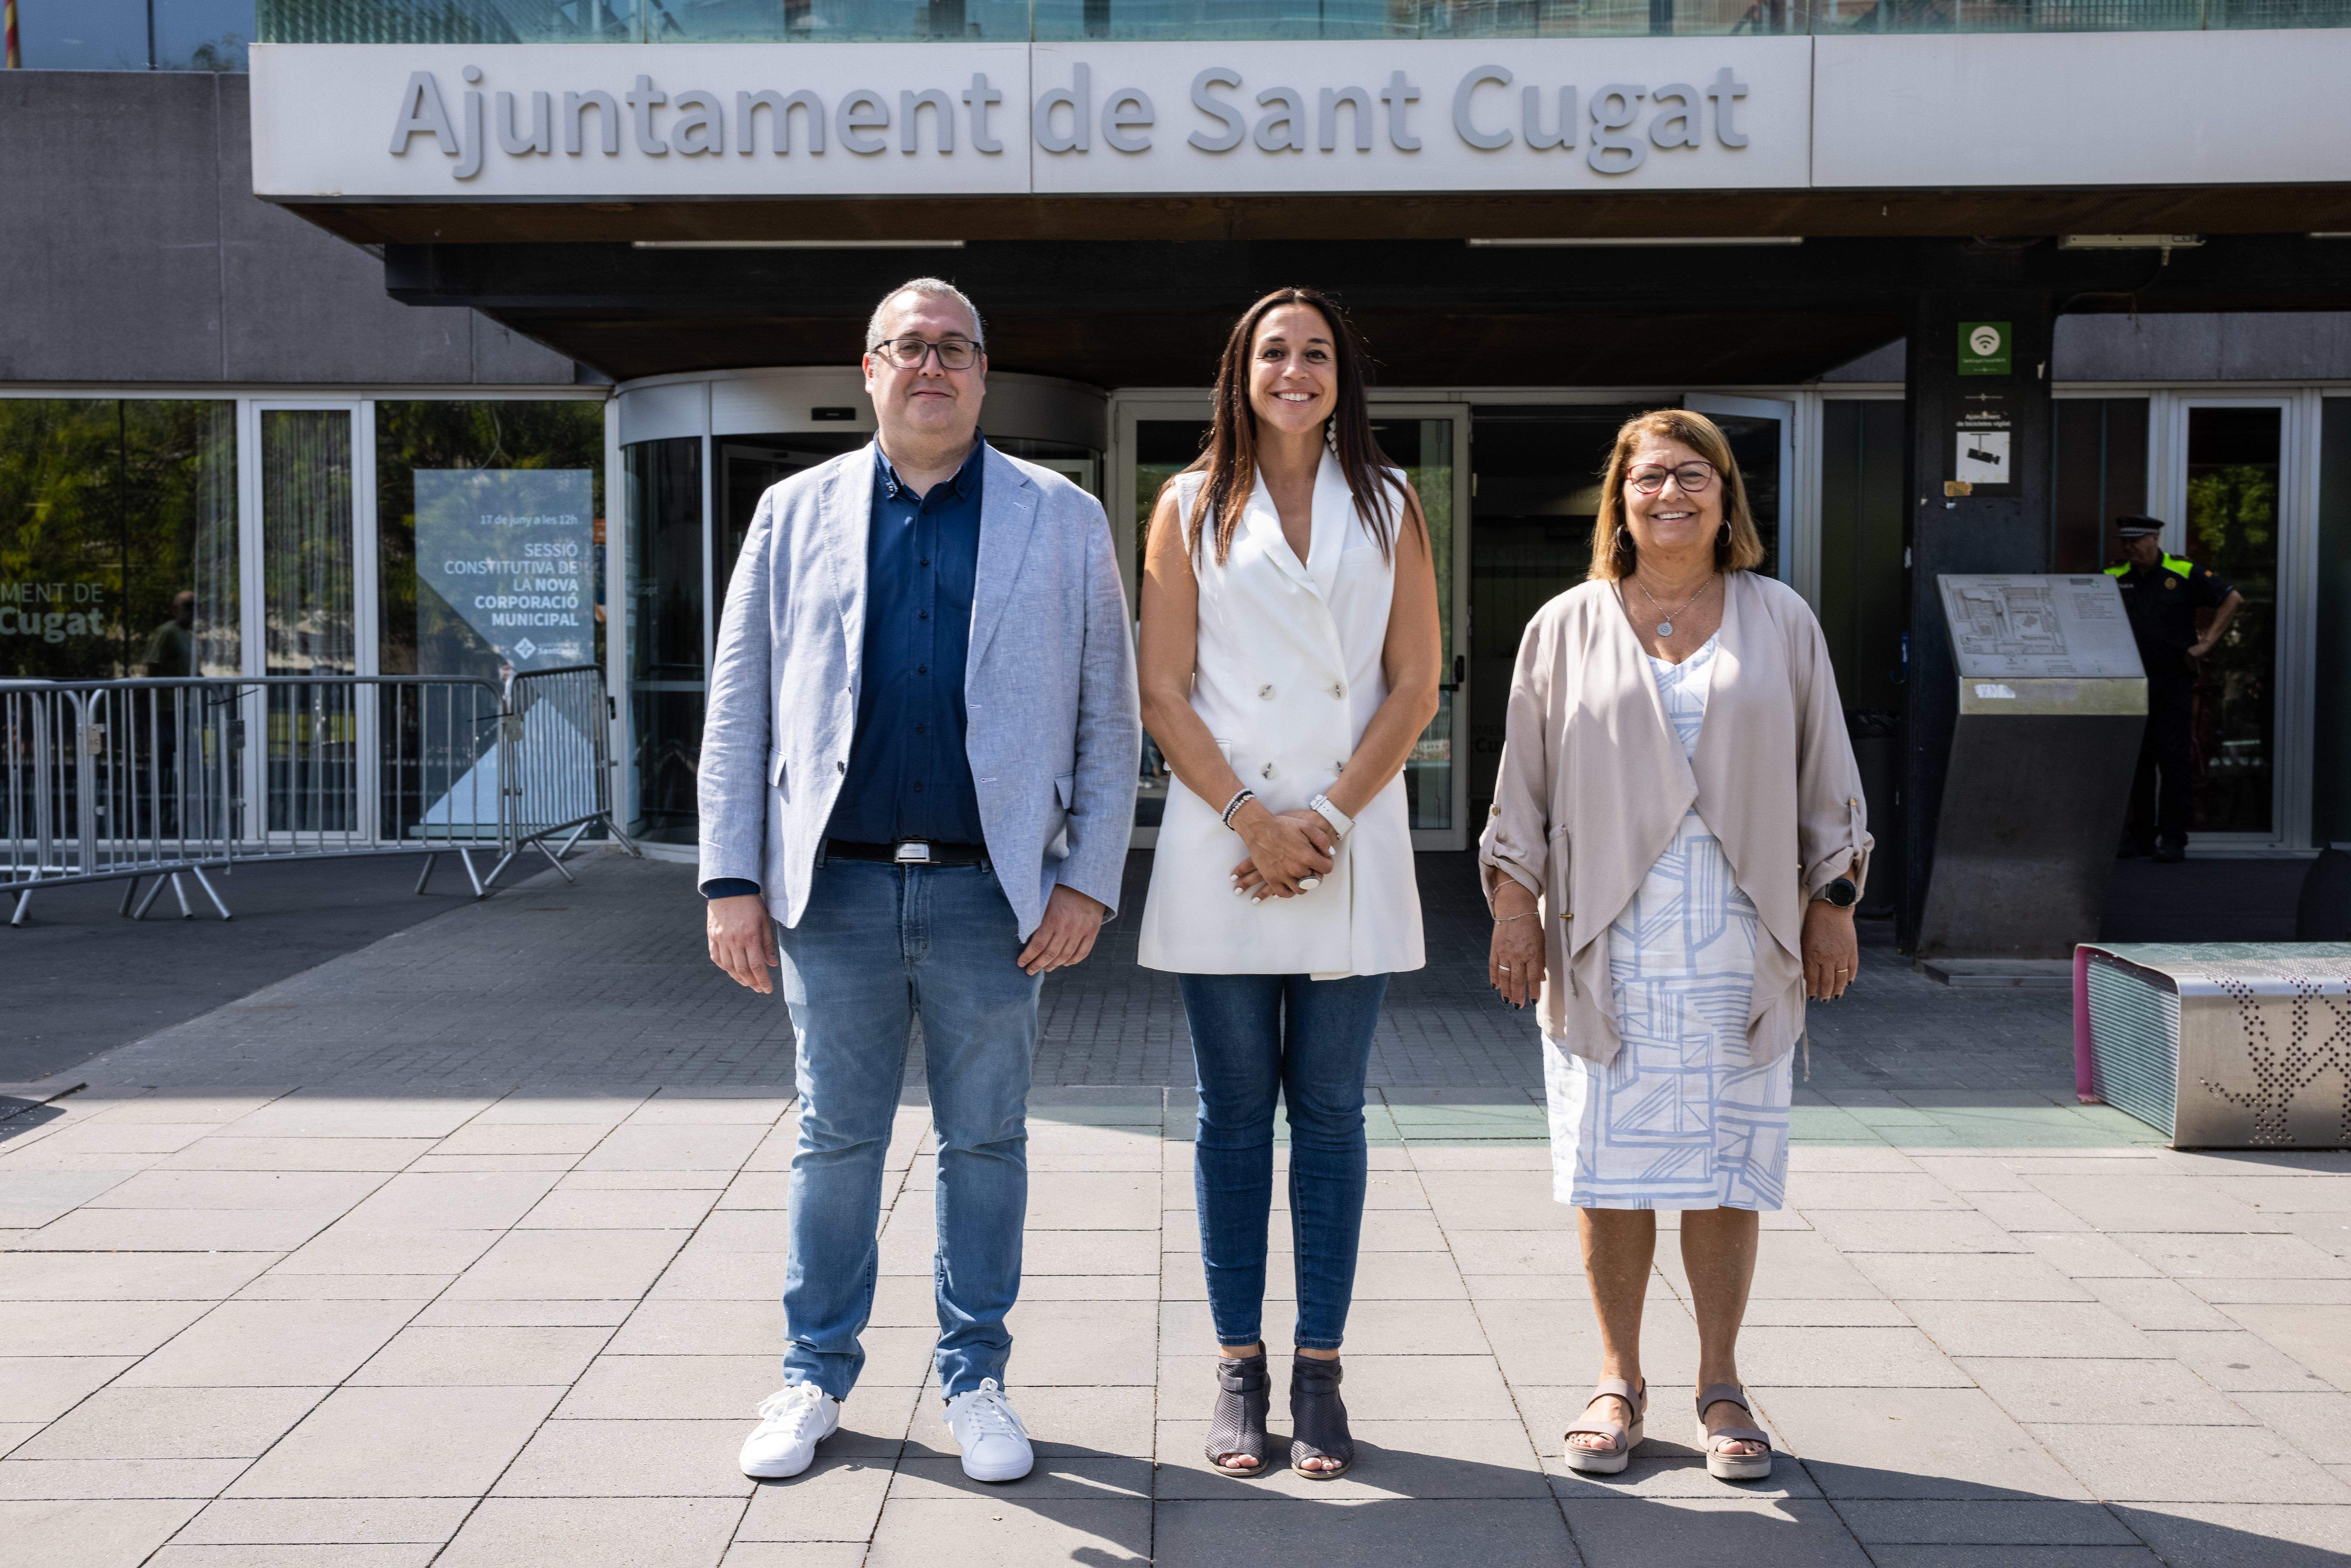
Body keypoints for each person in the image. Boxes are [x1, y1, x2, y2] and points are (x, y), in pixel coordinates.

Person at [698, 278, 1141, 1485]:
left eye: (953, 348)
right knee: (833, 1141)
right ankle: (812, 1374)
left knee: (985, 1143)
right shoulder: (792, 514)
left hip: (988, 896)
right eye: (909, 347)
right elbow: (738, 708)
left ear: (984, 373)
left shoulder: (1062, 519)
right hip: (828, 896)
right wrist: (730, 878)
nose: (930, 365)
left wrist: (1087, 881)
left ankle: (975, 1377)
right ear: (869, 369)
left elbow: (1112, 717)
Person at [1482, 409, 1871, 1484]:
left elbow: (1824, 772)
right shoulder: (1563, 623)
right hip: (1608, 940)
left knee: (1723, 1171)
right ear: (1619, 497)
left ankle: (1718, 1380)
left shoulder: (1778, 617)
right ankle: (1616, 1380)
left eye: (1690, 477)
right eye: (1648, 478)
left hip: (1739, 939)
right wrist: (1514, 910)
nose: (1669, 495)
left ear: (1724, 494)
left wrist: (1830, 901)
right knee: (1606, 1168)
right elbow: (1521, 783)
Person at [1136, 287, 1441, 1480]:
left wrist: (1318, 819)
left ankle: (1317, 1374)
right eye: (1275, 352)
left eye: (1315, 354)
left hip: (1343, 837)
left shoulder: (1393, 498)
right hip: (1225, 843)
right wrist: (1251, 822)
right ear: (1240, 370)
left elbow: (1413, 680)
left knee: (1327, 1117)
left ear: (1341, 376)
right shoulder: (1187, 502)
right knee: (1227, 1123)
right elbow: (1165, 688)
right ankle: (1235, 1368)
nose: (1295, 371)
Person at [2107, 515, 2241, 864]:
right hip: (2130, 679)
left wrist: (2207, 643)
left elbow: (2232, 598)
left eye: (2136, 540)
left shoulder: (2182, 571)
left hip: (2172, 680)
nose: (2129, 547)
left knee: (2173, 758)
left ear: (2153, 538)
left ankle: (2173, 838)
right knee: (2138, 760)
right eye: (2125, 542)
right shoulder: (2113, 577)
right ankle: (2140, 836)